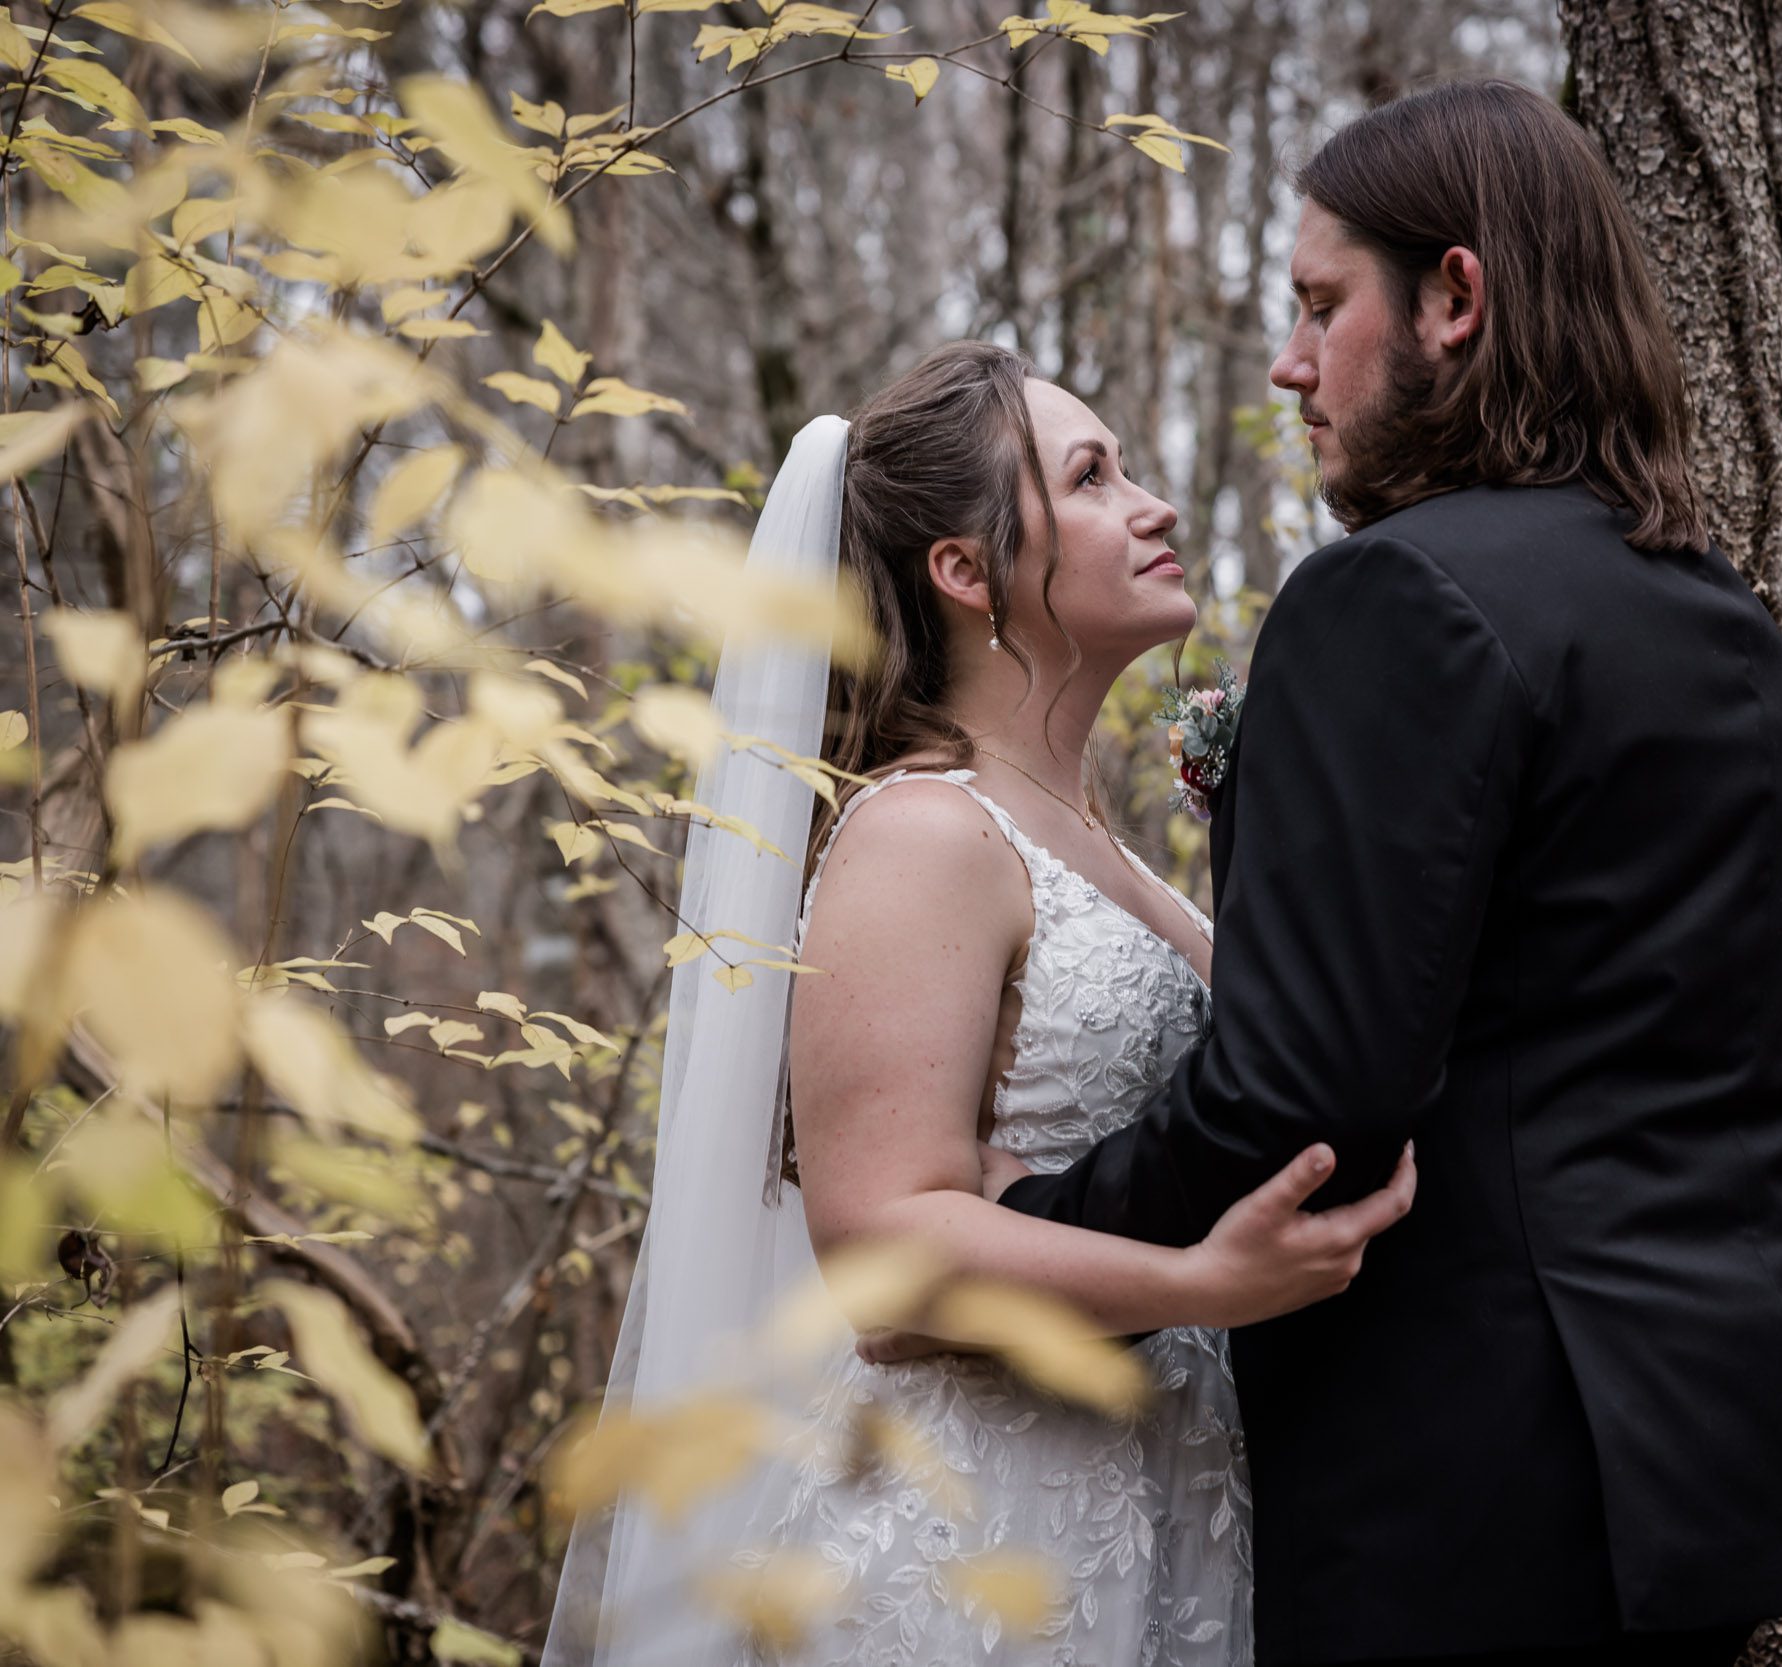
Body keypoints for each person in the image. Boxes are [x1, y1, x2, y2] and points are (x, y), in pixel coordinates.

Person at [985, 79, 1782, 1667]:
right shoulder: (1723, 622)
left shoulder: (1394, 601)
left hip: (1462, 1480)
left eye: (1322, 307)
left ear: (1457, 298)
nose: (1289, 362)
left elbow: (1306, 1094)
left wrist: (1032, 1230)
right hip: (1697, 1472)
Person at [546, 342, 1416, 1667]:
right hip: (976, 1543)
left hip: (1153, 1505)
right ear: (963, 571)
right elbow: (884, 1244)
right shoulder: (923, 834)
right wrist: (1202, 1284)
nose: (1155, 505)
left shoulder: (1097, 845)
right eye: (1091, 476)